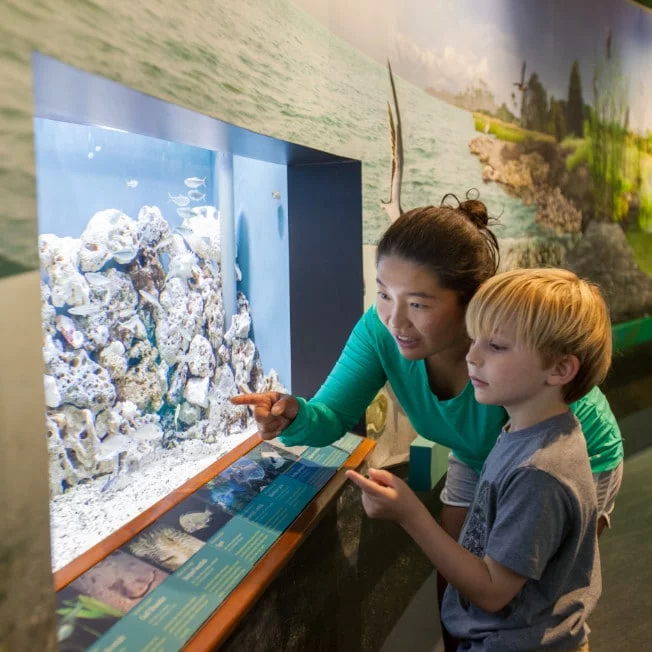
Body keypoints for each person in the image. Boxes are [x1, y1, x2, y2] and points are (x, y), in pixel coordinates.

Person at [230, 195, 623, 649]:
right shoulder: (382, 331)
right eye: (382, 293)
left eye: (418, 304)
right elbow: (332, 415)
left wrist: (412, 515)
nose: (394, 320)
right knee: (460, 573)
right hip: (480, 453)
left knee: (540, 596)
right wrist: (292, 414)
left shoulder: (512, 364)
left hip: (559, 458)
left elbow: (503, 585)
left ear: (472, 303)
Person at [346, 267, 609, 651]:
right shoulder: (524, 429)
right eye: (474, 340)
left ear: (560, 368)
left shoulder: (540, 472)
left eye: (497, 346)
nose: (471, 356)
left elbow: (492, 591)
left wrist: (410, 514)